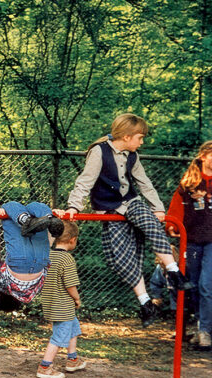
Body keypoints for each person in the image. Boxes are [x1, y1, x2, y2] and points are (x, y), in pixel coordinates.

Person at [58, 113, 193, 328]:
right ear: (127, 136)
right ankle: (145, 302)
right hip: (109, 208)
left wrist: (158, 208)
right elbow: (85, 181)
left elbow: (144, 182)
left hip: (131, 202)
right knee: (121, 257)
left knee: (150, 224)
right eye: (140, 138)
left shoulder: (133, 155)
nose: (142, 142)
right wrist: (74, 205)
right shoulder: (99, 152)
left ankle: (174, 272)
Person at [166, 140, 212, 350]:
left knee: (206, 285)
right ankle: (197, 327)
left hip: (211, 241)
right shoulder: (189, 183)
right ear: (203, 156)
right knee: (191, 285)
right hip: (192, 240)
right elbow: (176, 208)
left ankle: (205, 331)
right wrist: (172, 225)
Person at [0, 202, 64, 308]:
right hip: (18, 261)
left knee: (37, 211)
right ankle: (24, 220)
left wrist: (52, 229)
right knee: (10, 208)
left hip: (40, 261)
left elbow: (48, 245)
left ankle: (49, 218)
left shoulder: (33, 291)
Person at [35, 220, 86, 378]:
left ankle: (72, 360)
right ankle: (45, 367)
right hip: (63, 305)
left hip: (51, 303)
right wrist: (77, 298)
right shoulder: (67, 259)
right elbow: (70, 285)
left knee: (73, 327)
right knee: (59, 337)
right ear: (72, 240)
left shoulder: (48, 255)